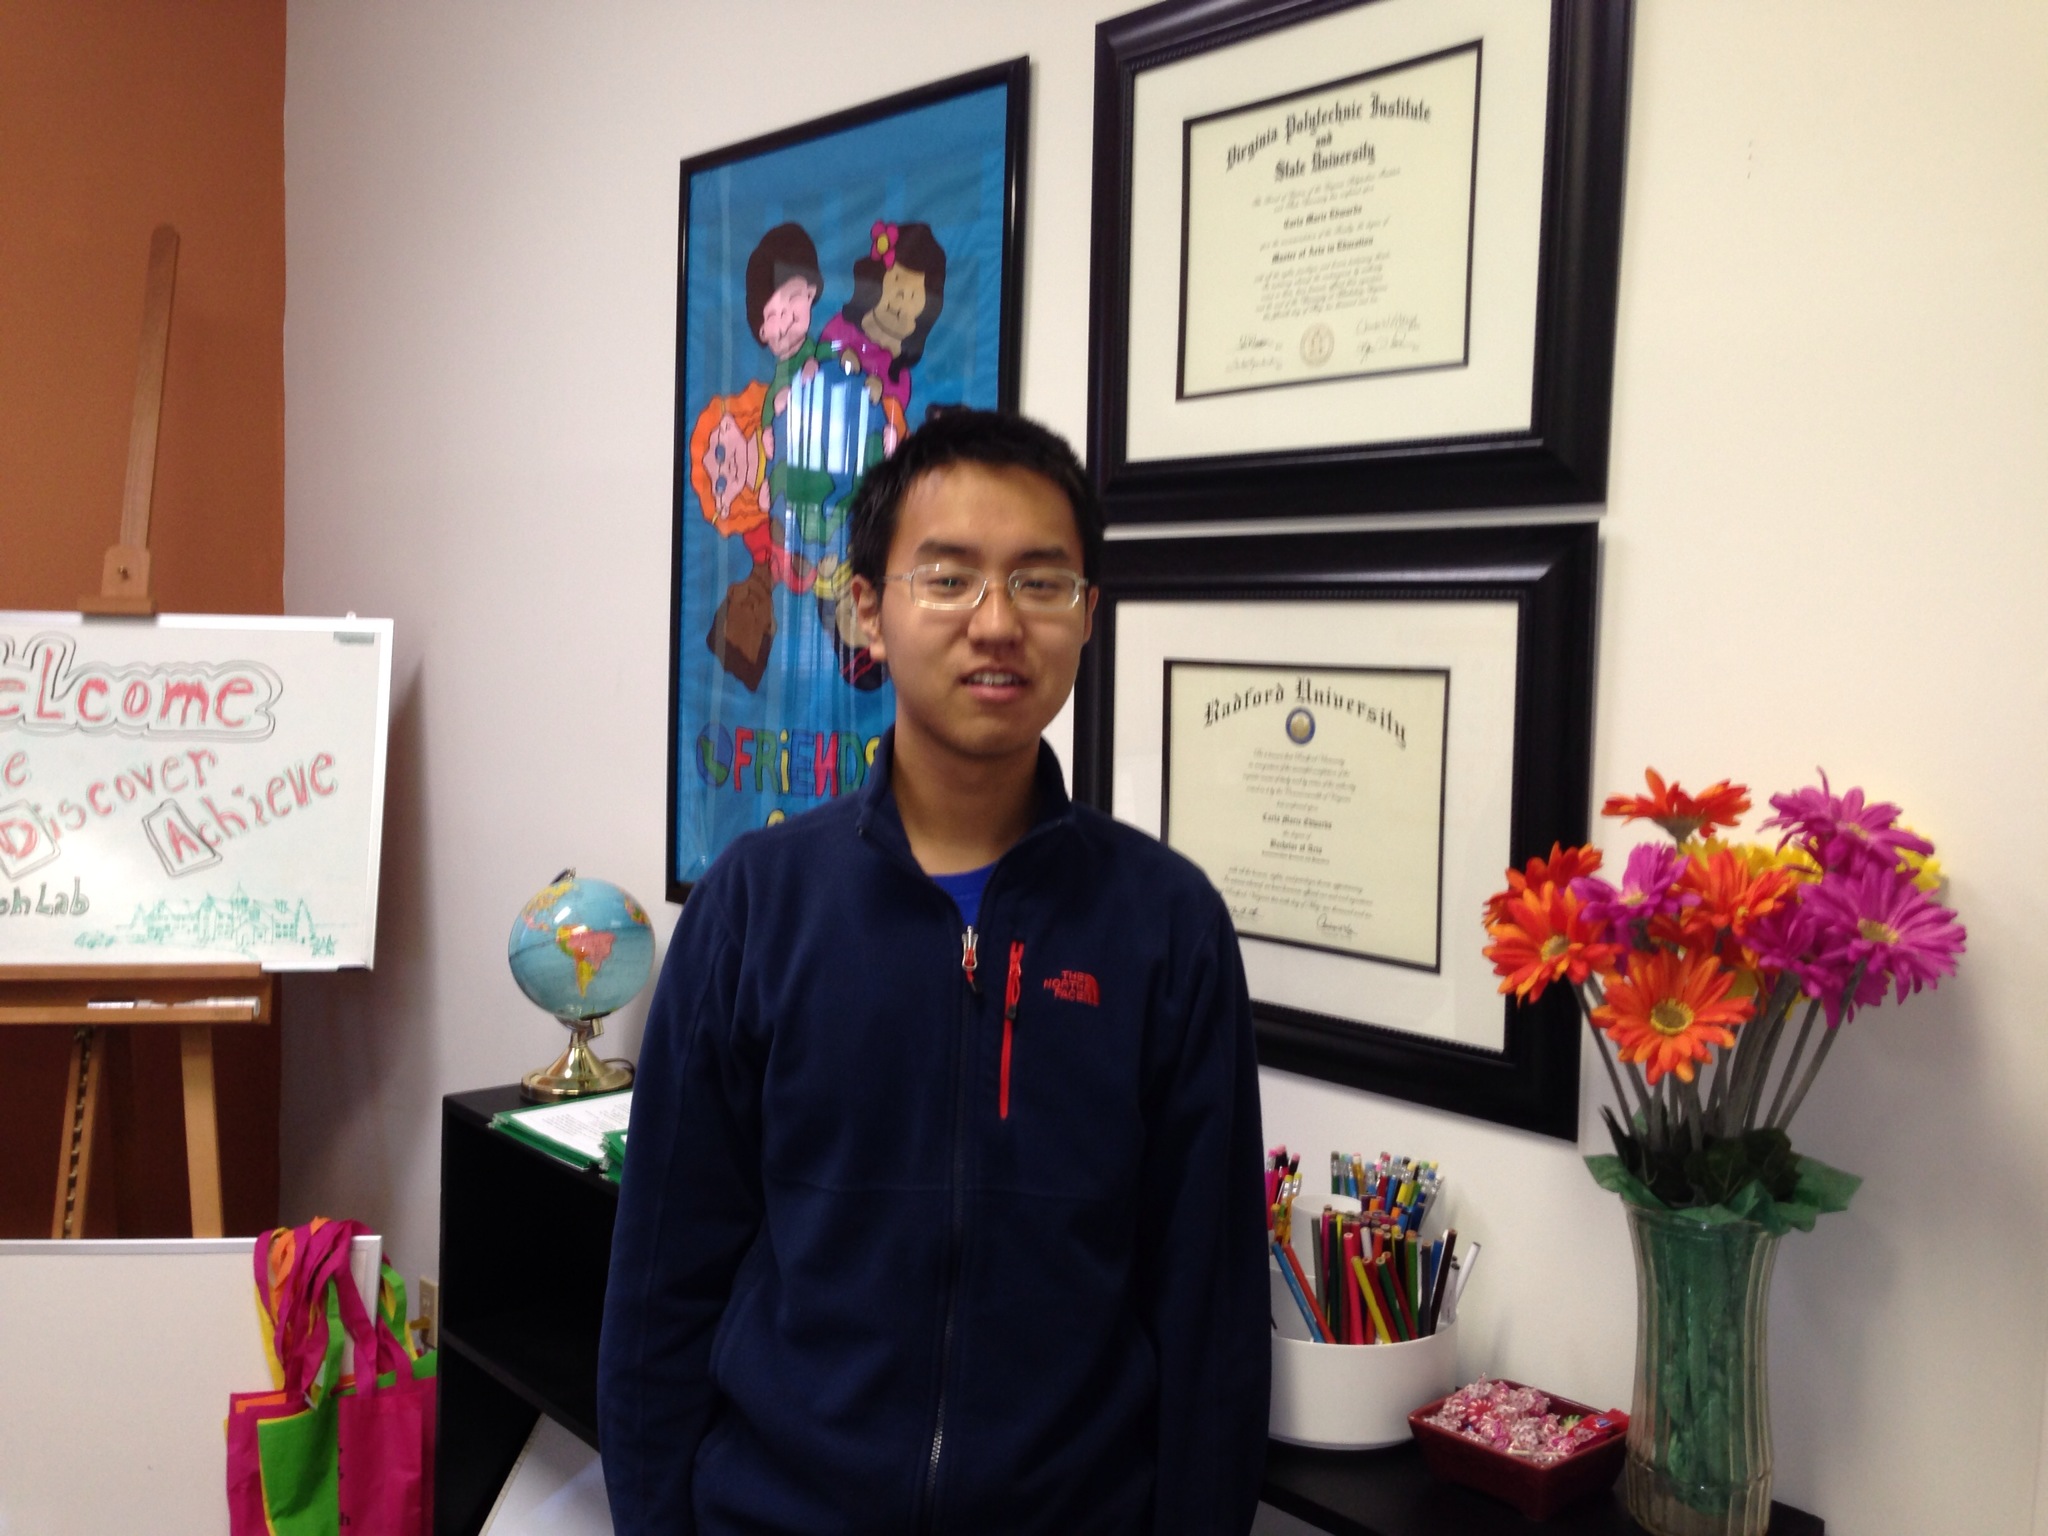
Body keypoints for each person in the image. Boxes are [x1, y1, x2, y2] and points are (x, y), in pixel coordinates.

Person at [599, 409, 1271, 1535]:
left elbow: (1211, 1319)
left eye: (1040, 583)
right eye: (948, 578)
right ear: (868, 608)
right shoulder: (755, 908)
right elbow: (660, 1290)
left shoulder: (1167, 927)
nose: (996, 623)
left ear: (1088, 613)